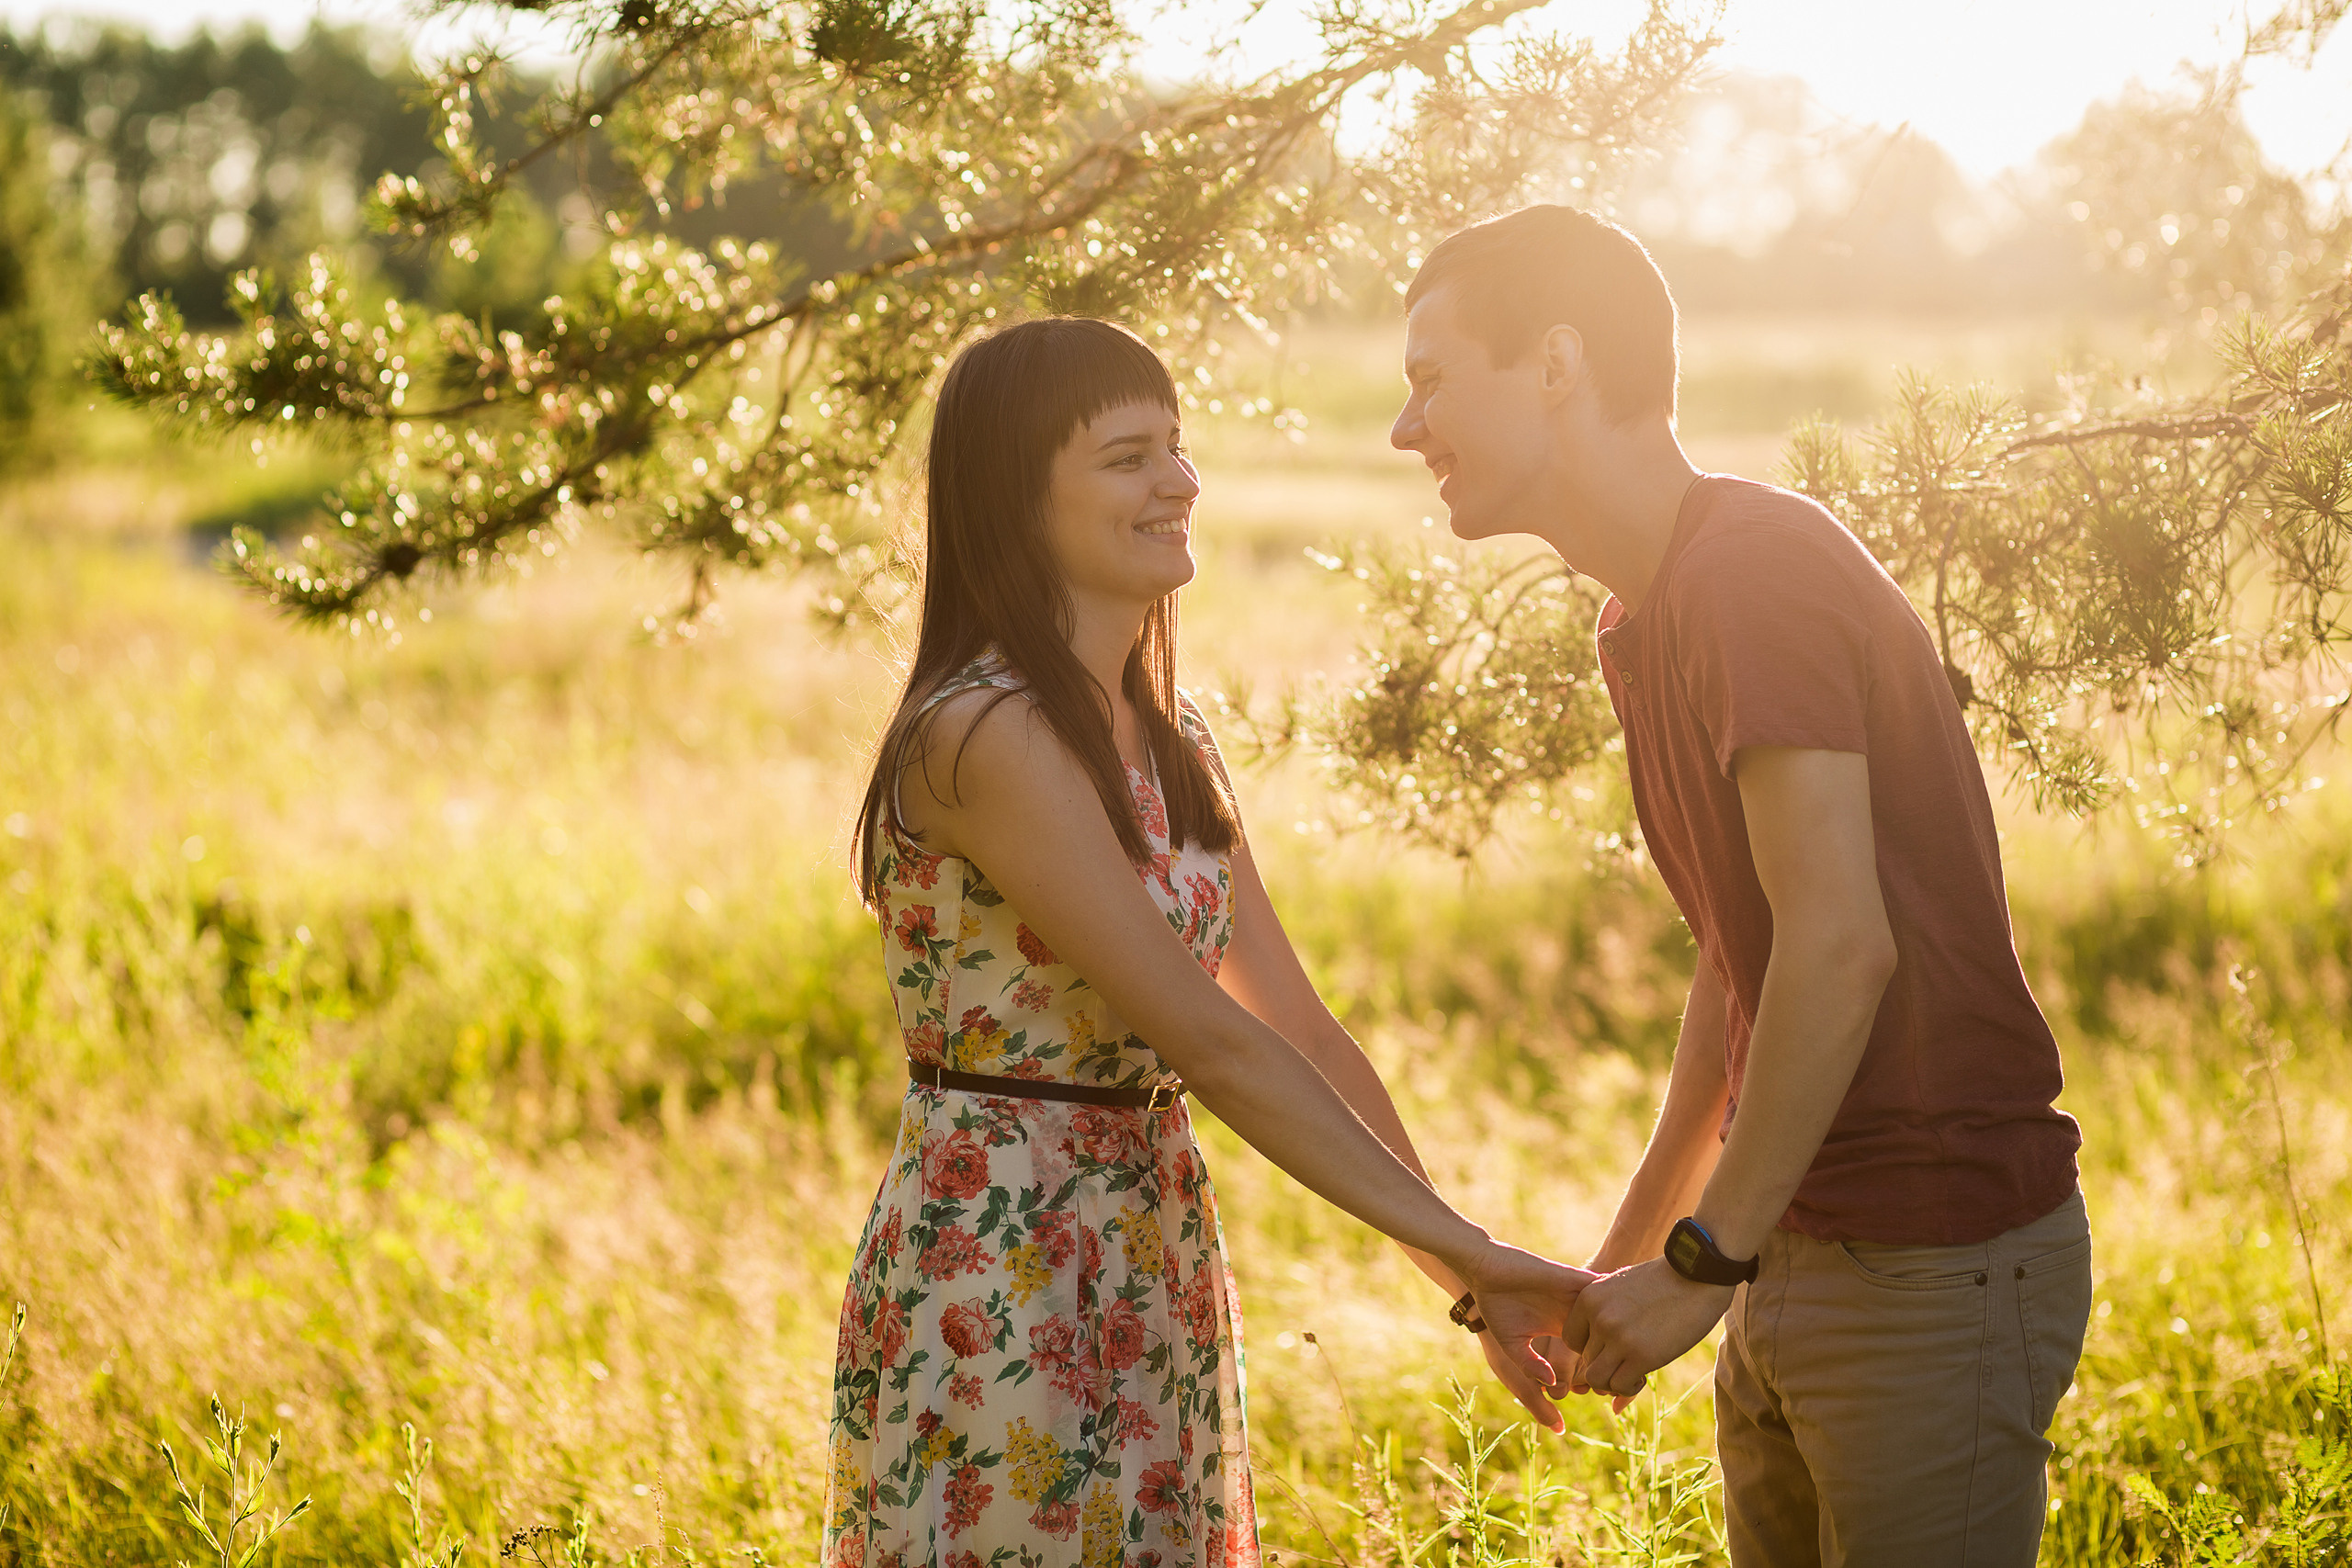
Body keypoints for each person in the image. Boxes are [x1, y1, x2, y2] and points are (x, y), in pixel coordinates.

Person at [823, 316, 1589, 1568]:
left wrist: (1462, 1278)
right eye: (1129, 457)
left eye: (1176, 448)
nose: (1179, 481)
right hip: (1004, 1265)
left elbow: (1294, 1027)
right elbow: (1209, 1041)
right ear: (1018, 502)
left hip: (1147, 1245)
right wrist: (1477, 1254)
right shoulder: (981, 737)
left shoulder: (1171, 732)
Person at [1388, 206, 2093, 1565]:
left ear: (1554, 364)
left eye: (1431, 379)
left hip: (1926, 1260)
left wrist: (1702, 1265)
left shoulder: (1748, 575)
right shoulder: (1646, 610)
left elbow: (1841, 950)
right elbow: (1743, 961)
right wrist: (1628, 1265)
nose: (1407, 430)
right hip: (1789, 1248)